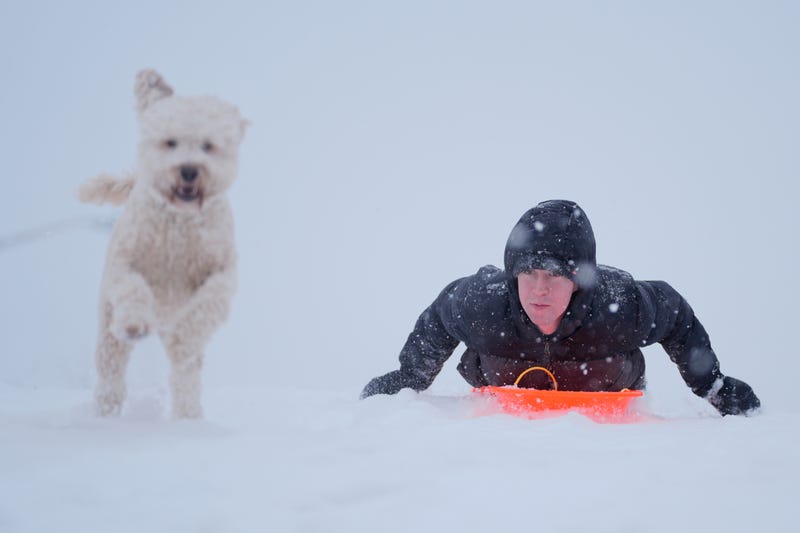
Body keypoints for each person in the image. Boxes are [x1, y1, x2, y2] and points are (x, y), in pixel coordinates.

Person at [360, 199, 760, 416]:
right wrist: (409, 377)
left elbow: (675, 315)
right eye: (528, 273)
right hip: (502, 399)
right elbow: (438, 319)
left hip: (603, 401)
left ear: (580, 280)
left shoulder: (619, 306)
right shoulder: (483, 302)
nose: (538, 290)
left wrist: (712, 386)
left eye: (554, 276)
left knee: (605, 368)